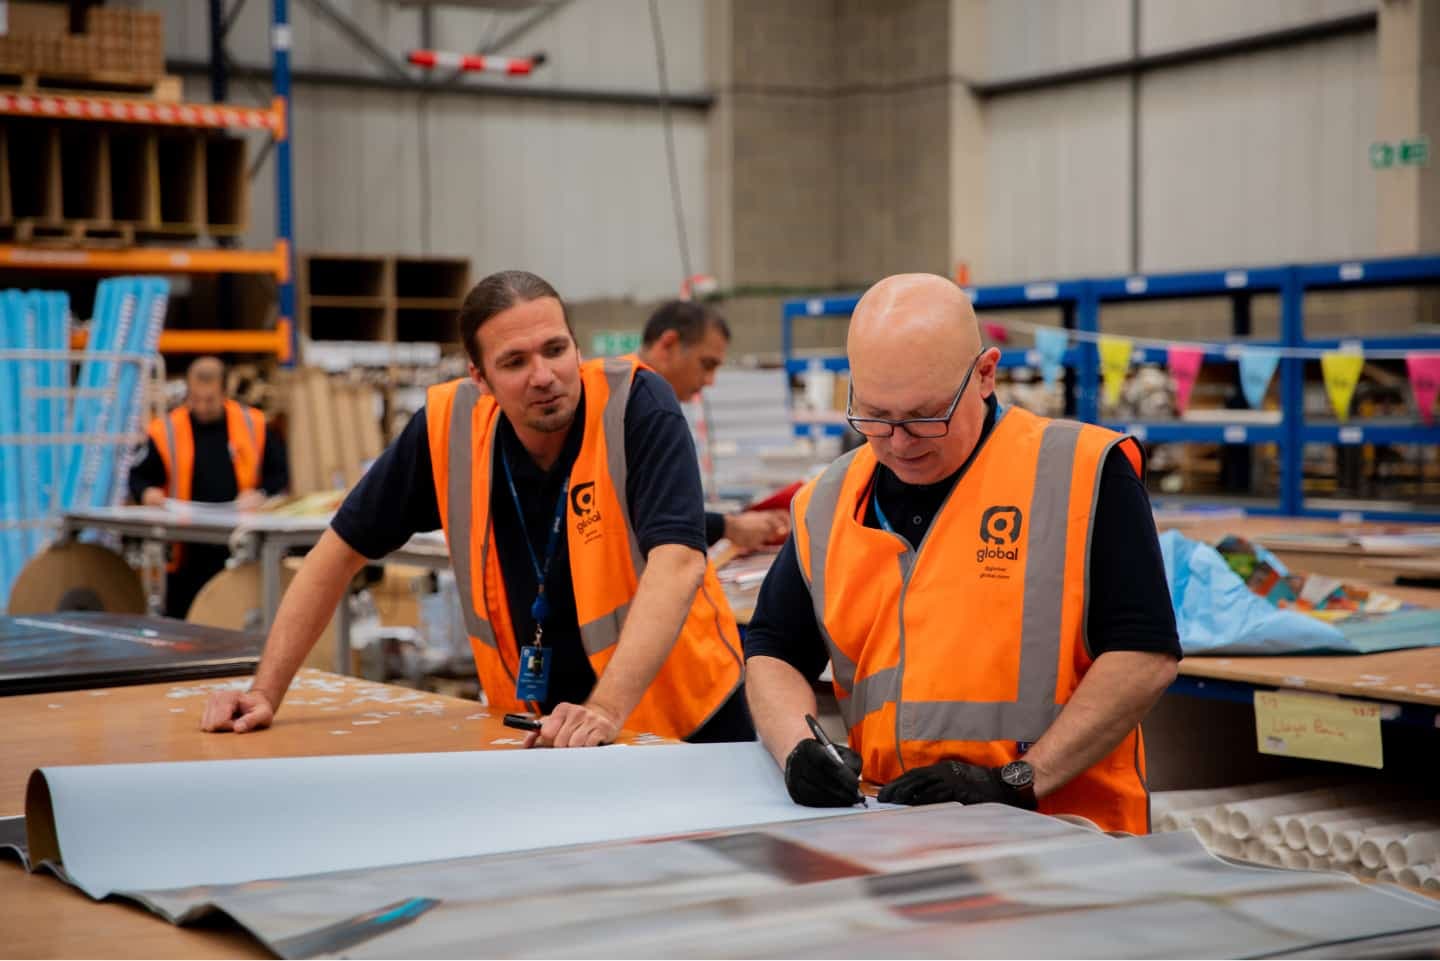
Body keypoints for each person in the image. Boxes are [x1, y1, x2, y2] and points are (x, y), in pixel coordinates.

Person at [201, 270, 752, 747]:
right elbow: (335, 554)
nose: (543, 376)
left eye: (556, 350)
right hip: (552, 733)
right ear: (480, 378)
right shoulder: (449, 431)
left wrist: (604, 710)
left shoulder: (637, 406)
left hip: (688, 719)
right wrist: (264, 692)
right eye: (514, 362)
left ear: (576, 348)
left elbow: (678, 562)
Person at [743, 274, 1180, 833]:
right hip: (891, 831)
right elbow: (774, 648)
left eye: (925, 416)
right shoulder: (827, 503)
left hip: (1067, 838)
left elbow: (1143, 656)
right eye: (875, 416)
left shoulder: (1082, 473)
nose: (899, 442)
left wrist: (1018, 779)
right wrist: (798, 748)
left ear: (985, 374)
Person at [129, 355, 288, 618]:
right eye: (195, 398)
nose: (201, 406)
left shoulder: (253, 424)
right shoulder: (166, 430)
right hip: (186, 548)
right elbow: (138, 476)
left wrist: (260, 494)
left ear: (224, 392)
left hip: (239, 544)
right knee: (185, 619)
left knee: (234, 616)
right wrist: (147, 492)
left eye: (209, 400)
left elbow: (279, 474)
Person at [636, 300, 789, 551]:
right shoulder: (649, 406)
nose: (709, 381)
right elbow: (659, 518)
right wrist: (730, 527)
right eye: (706, 365)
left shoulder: (620, 391)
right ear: (668, 345)